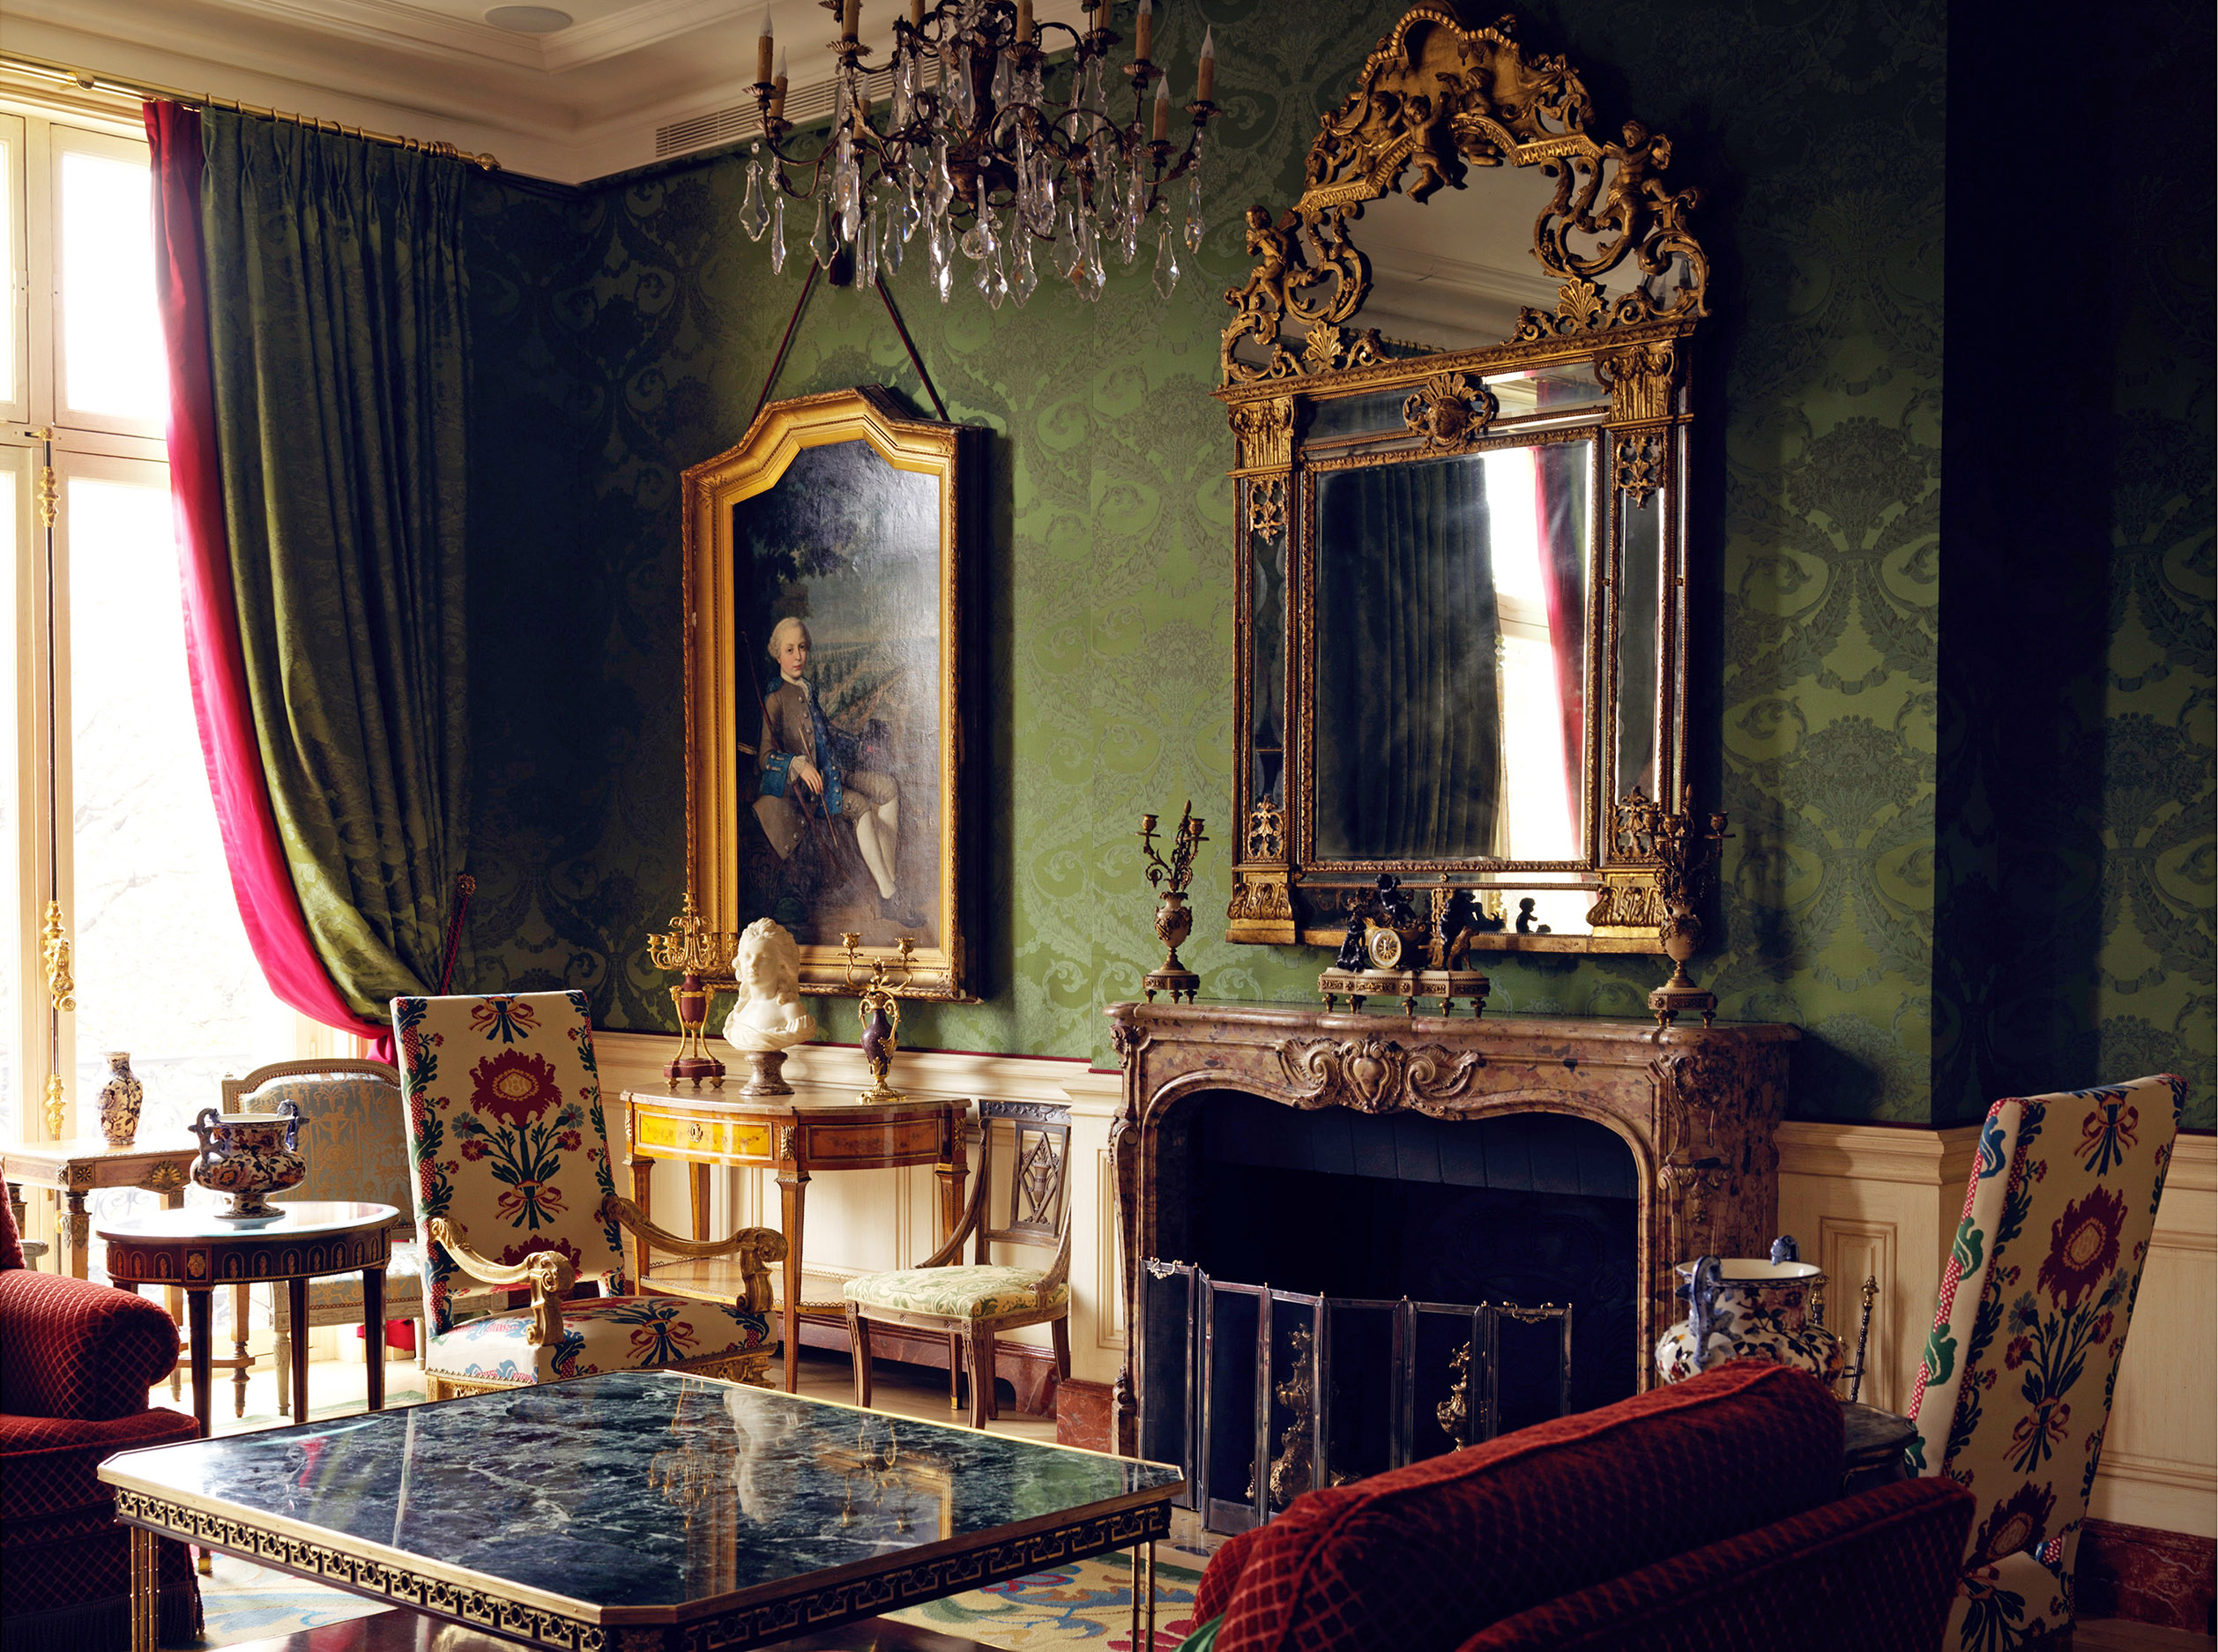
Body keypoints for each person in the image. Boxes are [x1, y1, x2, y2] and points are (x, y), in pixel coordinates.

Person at [753, 616, 926, 927]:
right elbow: (765, 757)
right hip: (812, 790)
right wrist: (798, 764)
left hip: (835, 772)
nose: (798, 656)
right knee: (859, 805)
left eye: (802, 648)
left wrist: (861, 746)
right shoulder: (775, 698)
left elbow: (827, 734)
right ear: (777, 654)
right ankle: (889, 895)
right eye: (790, 650)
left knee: (888, 788)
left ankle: (890, 883)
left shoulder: (807, 689)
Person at [722, 919, 817, 1053]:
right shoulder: (739, 1012)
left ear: (782, 965)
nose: (752, 965)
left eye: (763, 958)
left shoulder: (791, 1012)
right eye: (747, 957)